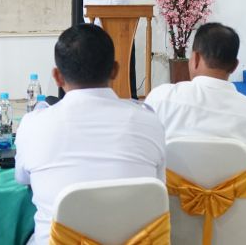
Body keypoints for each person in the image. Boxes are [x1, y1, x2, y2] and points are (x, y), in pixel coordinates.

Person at [15, 24, 166, 245]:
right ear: (115, 70)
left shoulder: (33, 125)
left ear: (57, 76)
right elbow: (157, 184)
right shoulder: (149, 121)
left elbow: (21, 178)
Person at [145, 23, 246, 236]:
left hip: (172, 214)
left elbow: (148, 156)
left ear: (196, 58)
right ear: (235, 65)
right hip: (236, 219)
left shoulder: (161, 98)